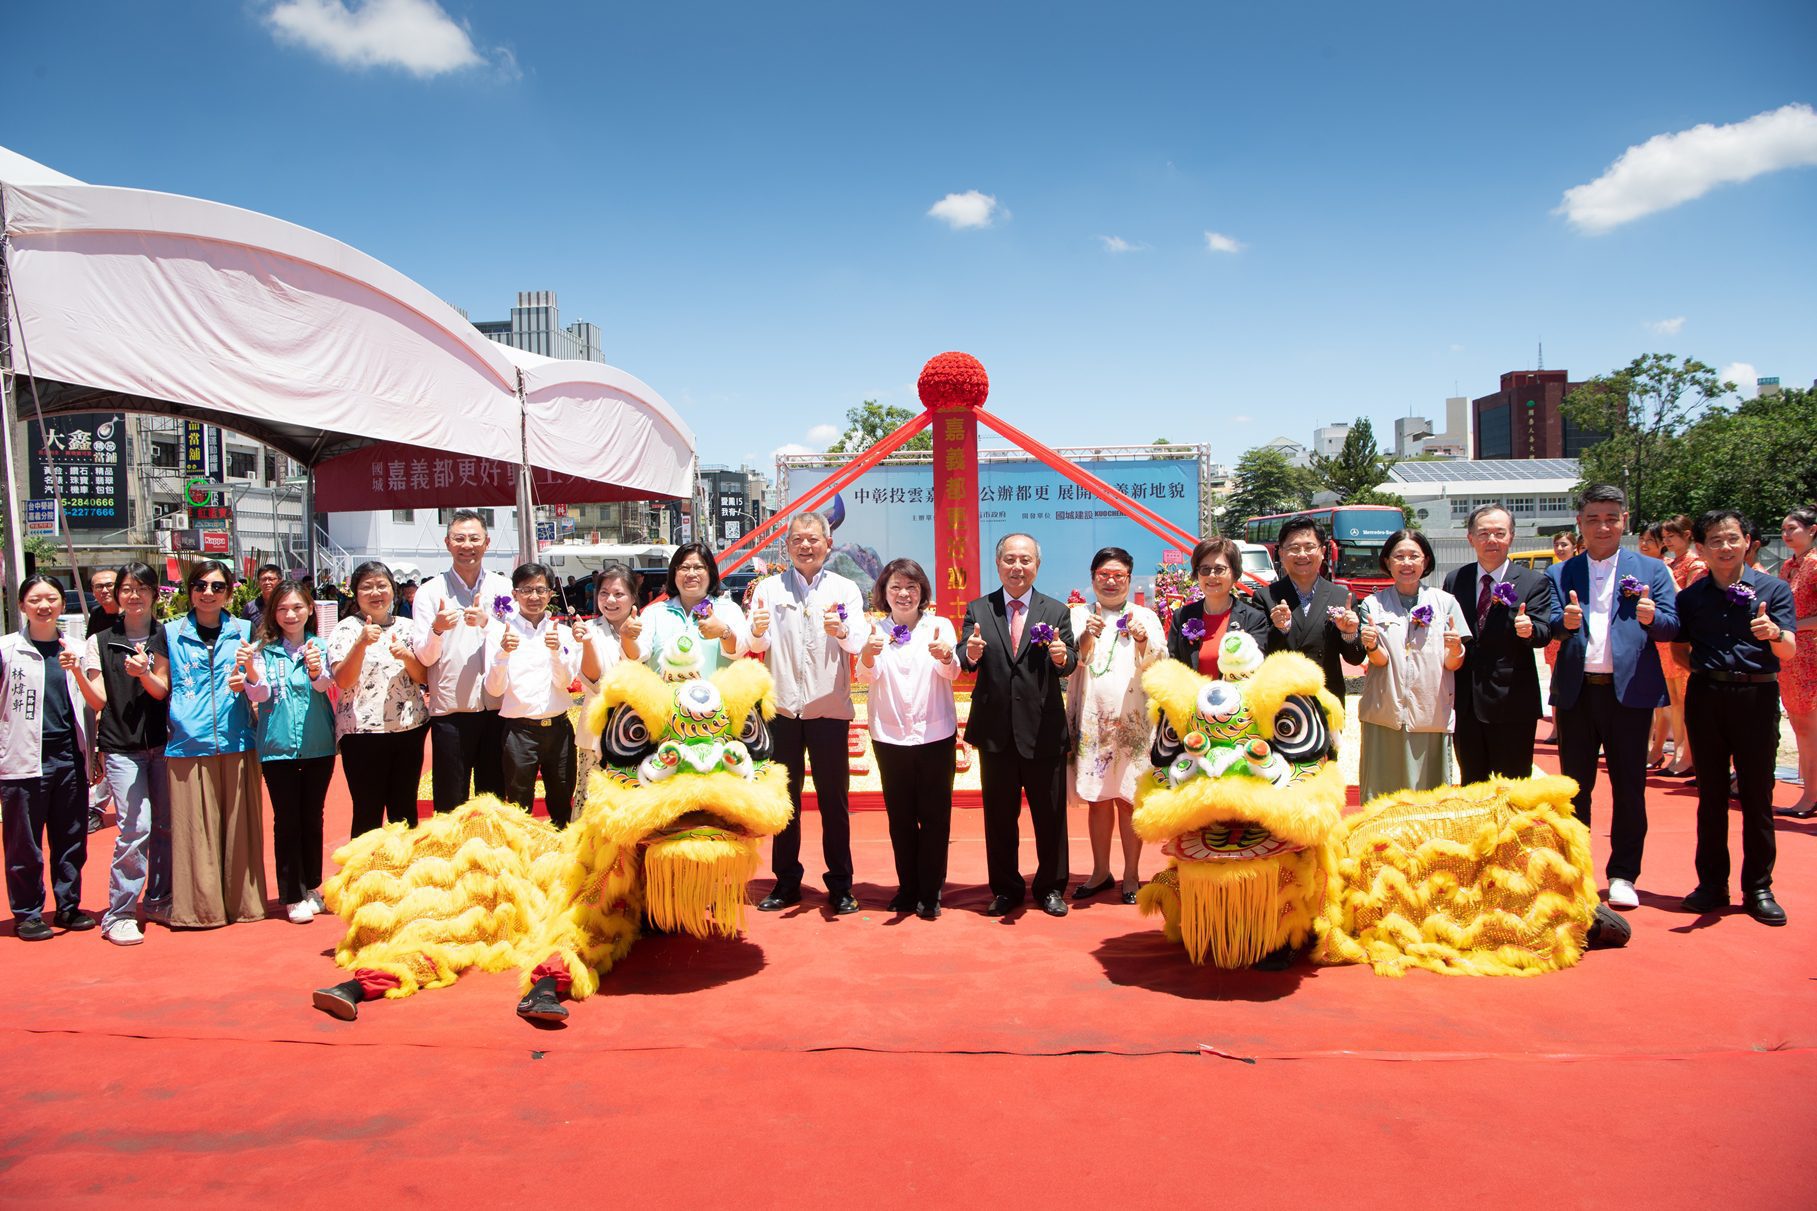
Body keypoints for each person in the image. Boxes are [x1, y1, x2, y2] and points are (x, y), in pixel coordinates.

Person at [1548, 483, 1678, 910]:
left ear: (1624, 521)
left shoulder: (1651, 570)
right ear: (1580, 524)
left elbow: (1674, 625)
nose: (1602, 526)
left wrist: (1653, 616)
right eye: (1593, 518)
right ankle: (1576, 870)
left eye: (1611, 517)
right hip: (1577, 694)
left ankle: (1623, 873)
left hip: (1629, 695)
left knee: (1629, 788)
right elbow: (1547, 622)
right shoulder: (1560, 572)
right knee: (1575, 790)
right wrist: (1564, 622)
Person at [1672, 509, 1796, 926]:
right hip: (1707, 695)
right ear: (1702, 548)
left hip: (1757, 695)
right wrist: (1710, 673)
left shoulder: (1774, 590)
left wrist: (1774, 634)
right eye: (1715, 541)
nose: (1724, 548)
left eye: (1732, 539)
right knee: (1709, 796)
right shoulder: (1691, 596)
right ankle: (1711, 884)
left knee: (1758, 795)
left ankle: (1758, 887)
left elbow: (1789, 650)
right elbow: (1679, 650)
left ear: (1748, 541)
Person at [748, 514, 867, 913]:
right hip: (781, 711)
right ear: (787, 546)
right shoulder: (767, 589)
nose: (805, 546)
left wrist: (843, 631)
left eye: (813, 539)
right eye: (797, 539)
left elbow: (857, 646)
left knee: (834, 801)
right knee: (786, 801)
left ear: (828, 544)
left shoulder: (845, 589)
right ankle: (785, 881)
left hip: (828, 710)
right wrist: (757, 630)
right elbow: (753, 640)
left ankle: (841, 884)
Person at [959, 533, 1078, 917]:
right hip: (996, 731)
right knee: (999, 818)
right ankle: (1006, 888)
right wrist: (970, 654)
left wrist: (1063, 658)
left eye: (1025, 560)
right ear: (998, 564)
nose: (1017, 567)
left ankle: (1051, 888)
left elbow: (1072, 657)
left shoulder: (1056, 610)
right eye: (1010, 559)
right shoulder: (979, 609)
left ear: (1037, 566)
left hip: (1042, 729)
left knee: (1050, 816)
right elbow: (966, 654)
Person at [142, 560, 265, 928]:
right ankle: (201, 910)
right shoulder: (169, 632)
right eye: (200, 586)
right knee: (195, 833)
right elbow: (162, 687)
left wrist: (250, 683)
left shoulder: (246, 629)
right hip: (187, 744)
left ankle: (244, 905)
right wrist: (143, 674)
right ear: (189, 590)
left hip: (238, 739)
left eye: (216, 586)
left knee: (241, 831)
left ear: (228, 592)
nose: (207, 593)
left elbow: (259, 685)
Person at [853, 558, 958, 919]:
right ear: (884, 591)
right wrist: (867, 655)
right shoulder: (875, 630)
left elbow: (952, 671)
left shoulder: (939, 625)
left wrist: (947, 655)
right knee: (900, 818)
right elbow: (866, 676)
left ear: (922, 592)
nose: (903, 594)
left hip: (935, 733)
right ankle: (907, 887)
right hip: (891, 736)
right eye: (895, 587)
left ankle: (931, 892)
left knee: (935, 817)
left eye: (911, 587)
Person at [78, 563, 171, 945]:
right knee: (136, 829)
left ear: (154, 594)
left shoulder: (164, 636)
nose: (134, 596)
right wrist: (79, 674)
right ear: (116, 595)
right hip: (120, 748)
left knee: (165, 828)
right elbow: (98, 699)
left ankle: (161, 898)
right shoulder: (98, 641)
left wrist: (144, 672)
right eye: (127, 589)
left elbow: (161, 689)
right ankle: (118, 913)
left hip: (163, 746)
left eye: (142, 588)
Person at [1066, 546, 1163, 904]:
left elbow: (1158, 662)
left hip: (1132, 720)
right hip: (1093, 719)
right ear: (1093, 579)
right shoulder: (1077, 616)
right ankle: (1099, 870)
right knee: (1097, 798)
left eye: (1118, 576)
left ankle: (1132, 874)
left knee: (1128, 798)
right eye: (1103, 575)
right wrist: (1087, 635)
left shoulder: (1145, 616)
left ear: (1128, 578)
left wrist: (1141, 639)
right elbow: (1068, 661)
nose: (1110, 582)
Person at [1, 576, 94, 941]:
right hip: (23, 759)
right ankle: (27, 912)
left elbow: (89, 704)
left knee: (71, 836)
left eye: (51, 599)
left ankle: (68, 906)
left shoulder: (74, 648)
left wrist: (93, 753)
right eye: (36, 599)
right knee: (24, 841)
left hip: (69, 755)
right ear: (23, 605)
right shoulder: (8, 650)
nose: (44, 606)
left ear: (61, 604)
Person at [243, 580, 337, 924]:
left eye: (297, 607)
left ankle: (312, 885)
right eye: (282, 609)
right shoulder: (261, 651)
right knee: (287, 820)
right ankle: (292, 893)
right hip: (277, 747)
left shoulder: (321, 646)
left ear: (310, 609)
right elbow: (260, 695)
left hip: (318, 745)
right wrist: (251, 670)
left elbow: (327, 685)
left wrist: (315, 668)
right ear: (273, 614)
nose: (290, 614)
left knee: (313, 817)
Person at [412, 510, 513, 814]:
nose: (466, 545)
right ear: (447, 543)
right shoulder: (430, 593)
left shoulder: (503, 588)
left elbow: (514, 640)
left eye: (474, 538)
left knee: (493, 800)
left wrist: (487, 624)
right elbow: (425, 657)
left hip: (497, 708)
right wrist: (438, 629)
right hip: (451, 713)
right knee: (450, 801)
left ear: (487, 542)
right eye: (459, 538)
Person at [1355, 530, 1469, 802]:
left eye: (1413, 556)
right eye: (1399, 556)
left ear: (1425, 560)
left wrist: (1456, 648)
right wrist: (1371, 645)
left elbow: (1453, 662)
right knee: (1382, 795)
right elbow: (1379, 660)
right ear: (1387, 562)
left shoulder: (1445, 603)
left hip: (1429, 712)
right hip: (1385, 711)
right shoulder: (1373, 604)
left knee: (1428, 798)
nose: (1406, 563)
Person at [1444, 505, 1555, 783]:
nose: (1491, 540)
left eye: (1499, 533)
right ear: (1470, 538)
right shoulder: (1456, 580)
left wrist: (1529, 630)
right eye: (1483, 533)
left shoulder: (1534, 582)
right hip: (1467, 703)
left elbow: (1544, 631)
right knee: (1472, 785)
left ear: (1511, 536)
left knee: (1513, 788)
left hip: (1513, 704)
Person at [330, 560, 430, 836]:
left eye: (382, 585)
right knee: (367, 812)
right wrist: (361, 643)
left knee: (404, 811)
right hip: (362, 734)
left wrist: (407, 656)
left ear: (393, 590)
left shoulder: (410, 628)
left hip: (409, 731)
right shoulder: (346, 629)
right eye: (367, 587)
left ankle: (404, 873)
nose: (376, 593)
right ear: (355, 593)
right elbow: (343, 680)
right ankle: (365, 875)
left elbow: (425, 677)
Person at [484, 563, 580, 829]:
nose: (534, 597)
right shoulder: (500, 632)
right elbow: (493, 690)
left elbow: (565, 682)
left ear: (550, 594)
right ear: (515, 594)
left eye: (540, 590)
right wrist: (502, 654)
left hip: (558, 730)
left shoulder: (561, 633)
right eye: (526, 590)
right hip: (519, 732)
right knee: (518, 805)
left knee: (562, 800)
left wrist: (556, 652)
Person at [1258, 517, 1366, 701]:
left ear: (1323, 551)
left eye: (1309, 547)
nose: (1302, 554)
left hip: (1326, 698)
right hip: (1280, 699)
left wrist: (1349, 634)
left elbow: (1355, 659)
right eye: (1293, 548)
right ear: (1281, 554)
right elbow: (1258, 655)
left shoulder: (1341, 597)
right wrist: (1280, 629)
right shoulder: (1266, 597)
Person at [570, 565, 640, 804]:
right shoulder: (586, 630)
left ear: (633, 597)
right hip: (596, 737)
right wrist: (588, 643)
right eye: (604, 593)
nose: (610, 600)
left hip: (638, 734)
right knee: (593, 806)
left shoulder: (645, 629)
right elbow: (594, 683)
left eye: (618, 594)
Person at [632, 542, 749, 679]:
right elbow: (638, 654)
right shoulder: (654, 613)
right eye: (684, 568)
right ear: (674, 573)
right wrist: (628, 638)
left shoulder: (729, 610)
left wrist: (724, 632)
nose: (691, 574)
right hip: (663, 699)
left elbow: (738, 651)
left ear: (710, 573)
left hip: (716, 698)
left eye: (699, 567)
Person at [1167, 537, 1270, 676]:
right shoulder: (1182, 616)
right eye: (1205, 569)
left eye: (1220, 569)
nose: (1211, 575)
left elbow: (1257, 668)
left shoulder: (1253, 619)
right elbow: (1173, 666)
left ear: (1235, 573)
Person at [1656, 514, 1706, 778]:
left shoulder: (1695, 565)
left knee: (1685, 699)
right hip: (1668, 638)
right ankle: (1678, 751)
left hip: (1685, 638)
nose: (1667, 542)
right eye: (1664, 538)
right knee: (1674, 699)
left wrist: (1668, 577)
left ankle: (1687, 755)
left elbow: (1690, 600)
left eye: (1672, 536)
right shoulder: (1671, 562)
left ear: (1687, 535)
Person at [1775, 506, 1817, 818]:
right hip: (1791, 656)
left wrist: (1791, 626)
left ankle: (1811, 796)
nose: (1787, 535)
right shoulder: (1789, 565)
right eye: (1785, 530)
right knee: (1801, 725)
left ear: (1812, 530)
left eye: (1793, 529)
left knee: (1810, 727)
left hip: (1812, 654)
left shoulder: (1815, 565)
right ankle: (1810, 792)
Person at [82, 567, 121, 833]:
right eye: (98, 586)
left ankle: (97, 806)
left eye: (109, 585)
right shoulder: (96, 617)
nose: (104, 590)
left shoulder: (132, 614)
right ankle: (94, 806)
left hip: (130, 696)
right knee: (101, 752)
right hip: (102, 694)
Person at [242, 564, 283, 629]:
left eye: (271, 579)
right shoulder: (250, 607)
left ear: (280, 581)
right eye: (263, 579)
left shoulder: (286, 604)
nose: (267, 582)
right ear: (258, 582)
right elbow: (245, 630)